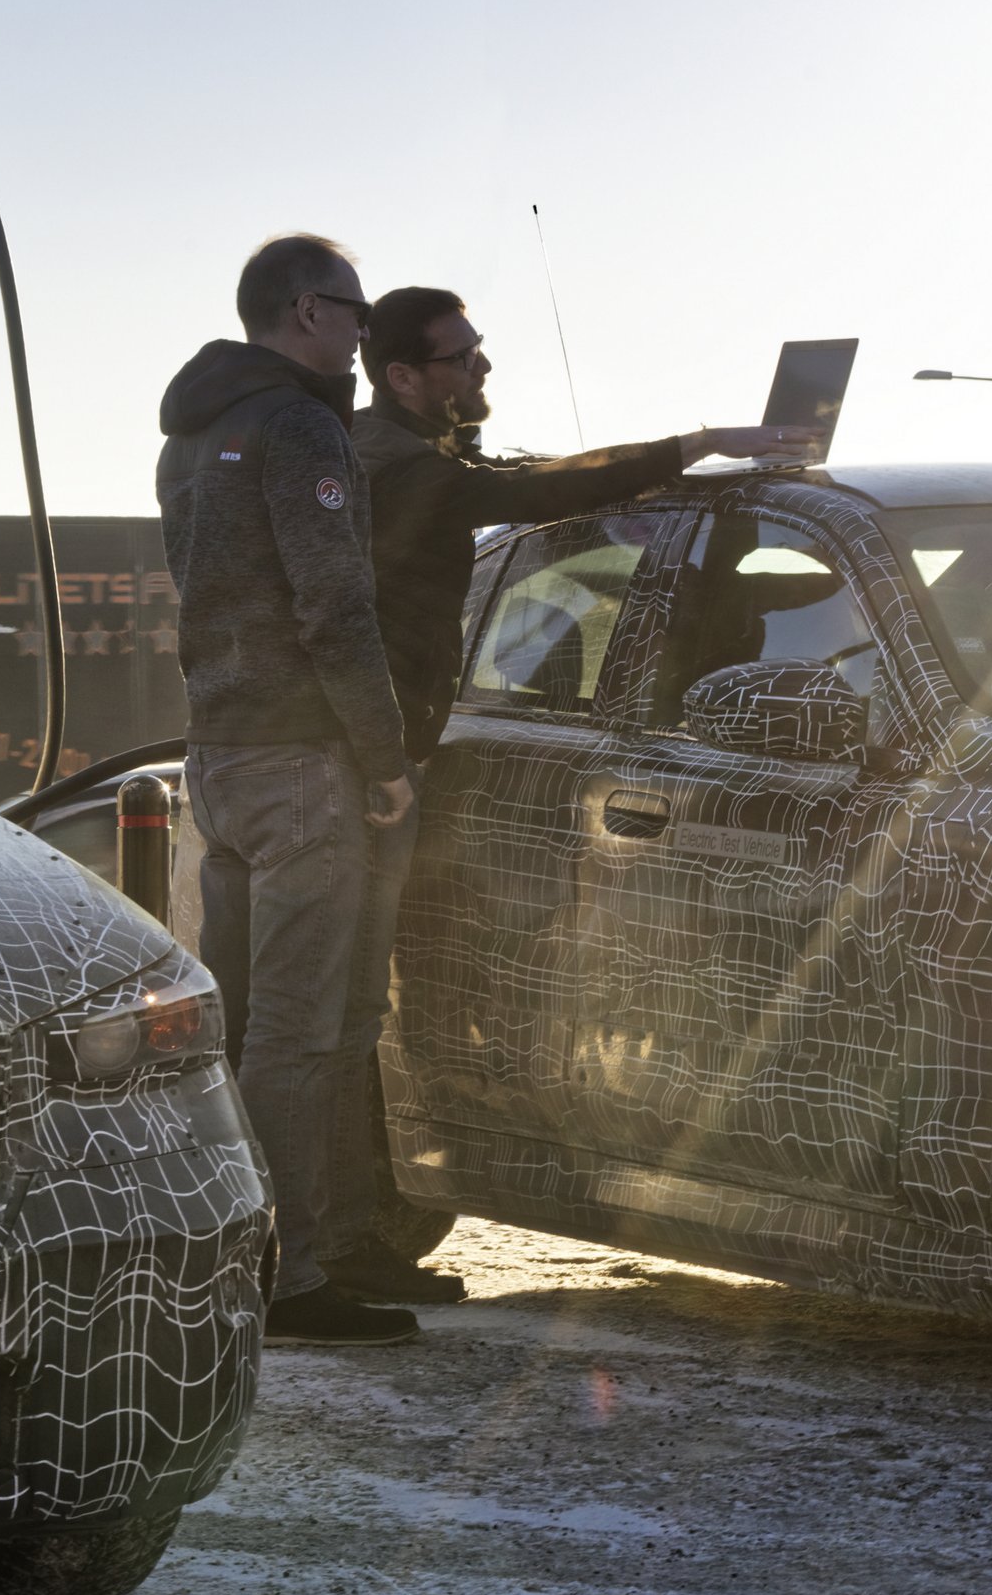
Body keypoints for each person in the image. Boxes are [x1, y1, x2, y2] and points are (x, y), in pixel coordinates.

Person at [319, 284, 809, 1299]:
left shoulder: (396, 453)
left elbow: (521, 479)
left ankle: (330, 1241)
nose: (482, 369)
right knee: (340, 1013)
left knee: (343, 1008)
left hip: (365, 752)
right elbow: (532, 488)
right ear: (403, 374)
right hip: (361, 766)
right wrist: (701, 439)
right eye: (461, 357)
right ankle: (326, 1248)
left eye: (480, 351)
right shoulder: (406, 471)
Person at [156, 234, 419, 1348]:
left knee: (245, 1021)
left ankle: (227, 1255)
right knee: (303, 1033)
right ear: (308, 309)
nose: (365, 332)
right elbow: (333, 604)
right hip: (306, 761)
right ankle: (287, 1272)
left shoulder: (194, 428)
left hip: (218, 754)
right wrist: (387, 752)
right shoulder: (302, 422)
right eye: (356, 311)